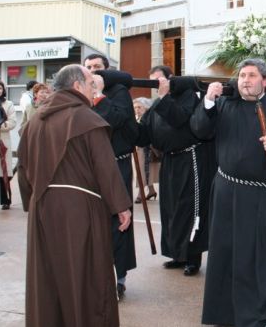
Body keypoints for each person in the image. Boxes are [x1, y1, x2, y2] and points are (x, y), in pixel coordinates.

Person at [191, 58, 266, 327]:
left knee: (261, 256)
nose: (245, 80)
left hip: (261, 196)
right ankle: (224, 313)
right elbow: (200, 131)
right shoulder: (223, 105)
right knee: (225, 253)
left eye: (252, 76)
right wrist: (207, 102)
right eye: (242, 75)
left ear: (265, 81)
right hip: (227, 192)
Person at [17, 64, 132, 327]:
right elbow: (105, 167)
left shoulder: (35, 120)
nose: (95, 90)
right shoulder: (86, 119)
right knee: (86, 278)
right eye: (92, 84)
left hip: (41, 208)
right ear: (77, 86)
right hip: (79, 210)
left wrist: (32, 203)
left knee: (48, 279)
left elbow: (22, 169)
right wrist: (121, 206)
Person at [137, 65, 216, 276]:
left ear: (170, 79)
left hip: (191, 158)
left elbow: (179, 119)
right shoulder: (157, 104)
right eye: (152, 81)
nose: (156, 85)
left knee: (190, 209)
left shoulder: (187, 95)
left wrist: (164, 98)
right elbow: (145, 133)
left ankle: (192, 258)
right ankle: (176, 254)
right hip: (170, 161)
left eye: (159, 80)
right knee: (170, 209)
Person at [84, 52, 139, 300]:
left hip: (117, 165)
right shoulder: (79, 91)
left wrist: (98, 95)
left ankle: (119, 278)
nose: (93, 71)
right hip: (89, 168)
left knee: (119, 220)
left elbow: (116, 119)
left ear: (106, 70)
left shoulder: (118, 92)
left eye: (97, 67)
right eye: (88, 67)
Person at [0, 79, 17, 210]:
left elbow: (12, 122)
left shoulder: (9, 104)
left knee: (3, 171)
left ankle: (6, 199)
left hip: (2, 141)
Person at [132, 97, 159, 203]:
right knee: (145, 171)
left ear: (146, 108)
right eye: (135, 107)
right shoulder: (136, 118)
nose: (137, 110)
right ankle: (151, 191)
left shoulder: (149, 118)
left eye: (139, 107)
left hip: (146, 149)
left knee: (142, 172)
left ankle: (141, 194)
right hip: (139, 149)